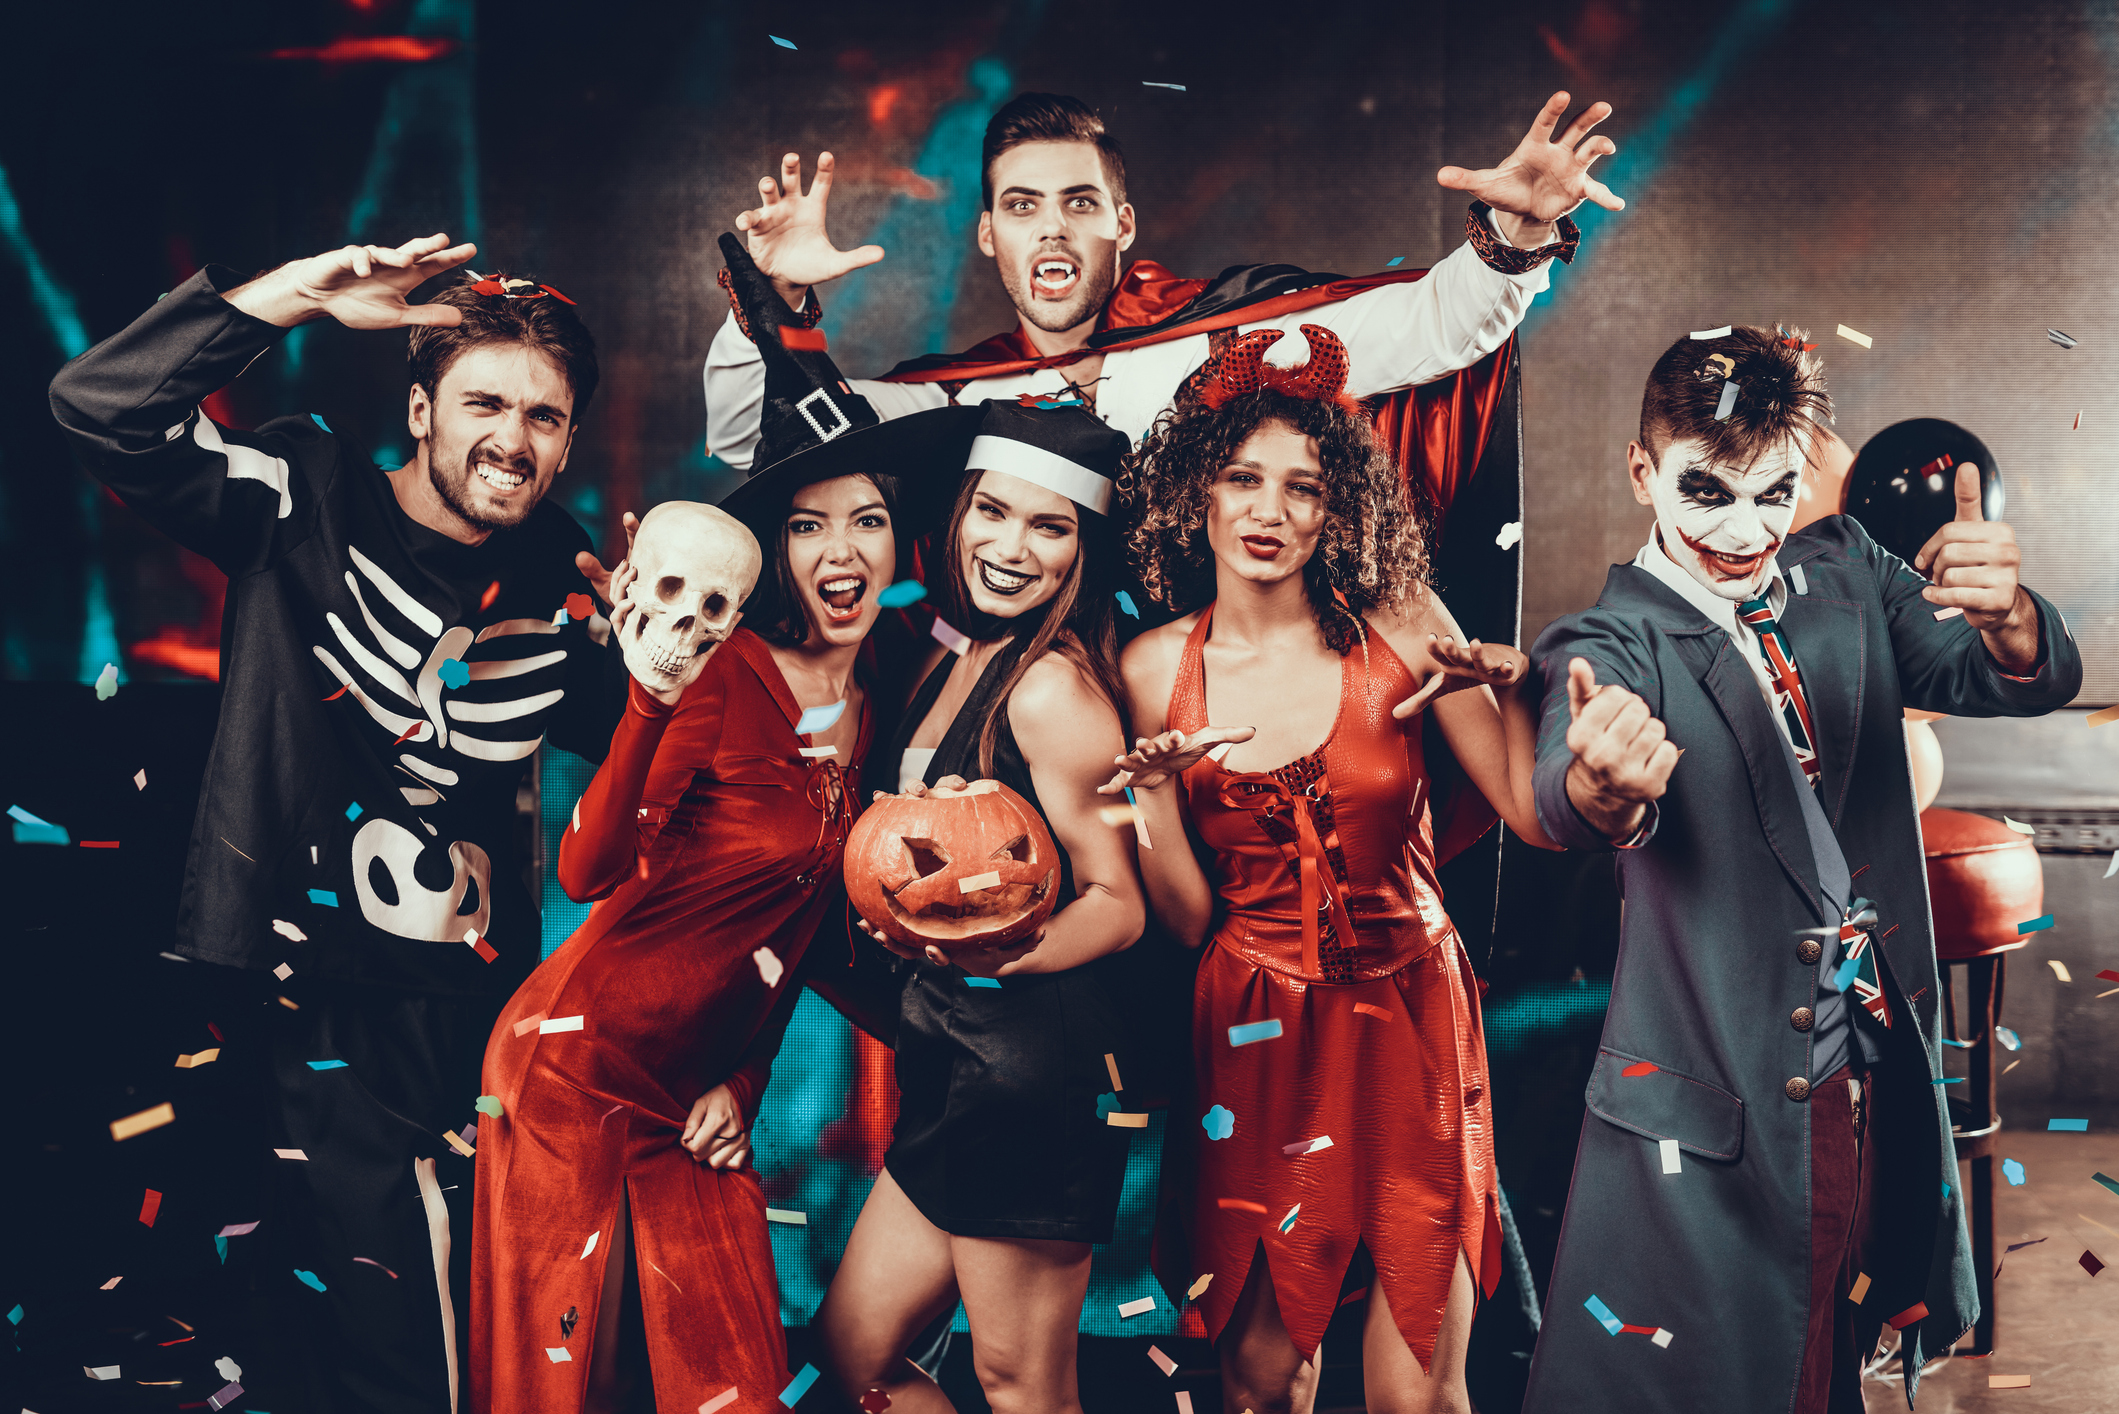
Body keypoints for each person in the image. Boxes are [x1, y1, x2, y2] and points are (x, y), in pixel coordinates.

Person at [48, 235, 628, 1412]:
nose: (512, 439)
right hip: (269, 991)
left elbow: (646, 771)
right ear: (420, 408)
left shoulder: (565, 581)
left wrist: (654, 655)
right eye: (483, 402)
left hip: (460, 1008)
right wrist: (289, 302)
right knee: (251, 1330)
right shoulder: (304, 492)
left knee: (435, 1336)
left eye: (544, 417)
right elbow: (99, 407)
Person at [1518, 327, 2082, 1413]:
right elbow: (1568, 791)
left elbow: (2010, 679)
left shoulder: (1848, 571)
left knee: (1833, 1347)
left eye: (1772, 491)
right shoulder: (1607, 637)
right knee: (1733, 1372)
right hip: (1728, 1093)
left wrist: (2008, 618)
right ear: (1641, 470)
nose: (1742, 530)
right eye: (1705, 490)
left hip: (1881, 1061)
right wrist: (1599, 782)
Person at [469, 407, 967, 1413]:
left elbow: (792, 933)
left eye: (865, 521)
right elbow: (585, 868)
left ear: (897, 543)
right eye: (806, 525)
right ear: (775, 556)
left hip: (694, 1092)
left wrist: (742, 1077)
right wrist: (648, 699)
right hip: (576, 1073)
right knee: (581, 1390)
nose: (840, 550)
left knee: (729, 1384)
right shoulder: (722, 672)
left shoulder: (874, 703)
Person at [1100, 326, 1553, 1414]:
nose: (1269, 511)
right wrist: (1153, 790)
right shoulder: (1152, 665)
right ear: (1195, 493)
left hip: (1412, 1018)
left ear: (1335, 509)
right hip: (1253, 1031)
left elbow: (1533, 817)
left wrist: (1521, 687)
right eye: (1244, 479)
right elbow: (1183, 916)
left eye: (1302, 488)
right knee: (1260, 1377)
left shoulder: (1400, 626)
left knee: (1422, 1384)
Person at [706, 89, 1621, 462]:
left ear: (1122, 225)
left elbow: (1432, 323)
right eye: (1021, 207)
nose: (1051, 228)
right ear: (989, 236)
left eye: (1078, 202)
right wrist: (767, 302)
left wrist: (1517, 226)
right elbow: (757, 442)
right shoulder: (950, 402)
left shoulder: (1230, 338)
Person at [811, 399, 1146, 1414]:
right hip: (953, 1066)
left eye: (1049, 527)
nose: (1010, 546)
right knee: (855, 1358)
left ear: (1081, 549)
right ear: (956, 515)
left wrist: (998, 954)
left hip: (1031, 1079)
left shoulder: (1051, 692)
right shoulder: (954, 655)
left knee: (1022, 1387)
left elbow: (1119, 903)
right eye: (992, 512)